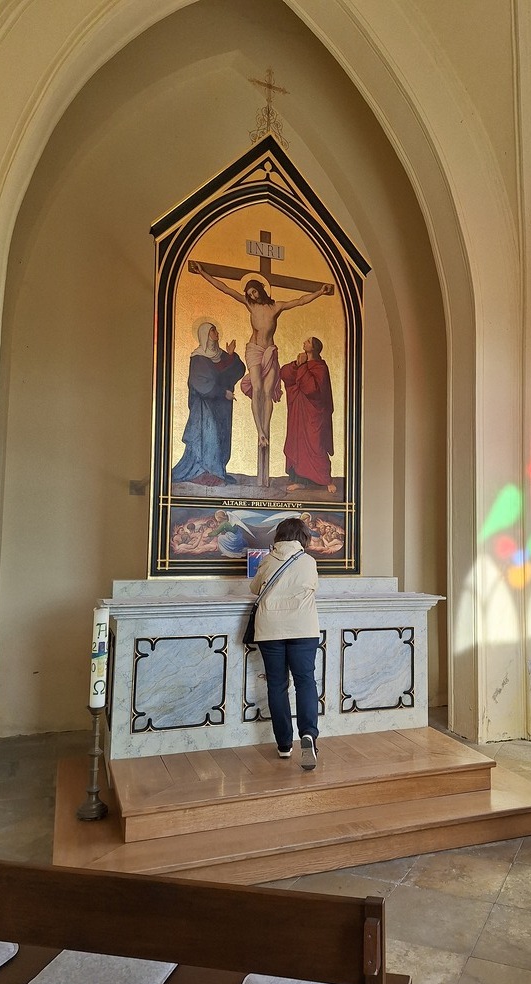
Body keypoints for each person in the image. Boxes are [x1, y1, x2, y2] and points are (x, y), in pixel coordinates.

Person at [192, 262, 333, 451]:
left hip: (269, 351)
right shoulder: (250, 306)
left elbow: (300, 301)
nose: (252, 296)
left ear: (260, 289)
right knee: (257, 389)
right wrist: (203, 273)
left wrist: (320, 292)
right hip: (254, 350)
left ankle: (265, 429)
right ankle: (260, 432)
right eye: (249, 294)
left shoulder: (276, 307)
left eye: (254, 292)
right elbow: (225, 289)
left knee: (267, 392)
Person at [249, 516, 320, 770]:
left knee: (277, 685)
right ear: (303, 537)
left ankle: (283, 745)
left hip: (270, 630)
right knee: (305, 682)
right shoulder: (308, 561)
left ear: (279, 536)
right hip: (303, 629)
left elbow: (254, 588)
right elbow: (313, 587)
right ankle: (308, 734)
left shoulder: (268, 560)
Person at [172, 321, 245, 486]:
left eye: (216, 330)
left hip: (222, 407)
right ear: (205, 335)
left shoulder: (222, 355)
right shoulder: (198, 357)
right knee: (208, 436)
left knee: (221, 437)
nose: (216, 333)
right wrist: (222, 392)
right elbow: (199, 382)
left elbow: (238, 371)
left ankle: (217, 471)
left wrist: (231, 355)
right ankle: (200, 472)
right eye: (213, 331)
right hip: (204, 408)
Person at [279, 337, 336, 494]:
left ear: (315, 347)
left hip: (314, 414)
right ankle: (300, 482)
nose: (305, 342)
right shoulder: (301, 363)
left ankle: (326, 480)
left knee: (316, 444)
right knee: (298, 444)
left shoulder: (320, 367)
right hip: (298, 413)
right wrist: (297, 365)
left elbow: (312, 389)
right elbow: (284, 374)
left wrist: (303, 366)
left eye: (309, 341)